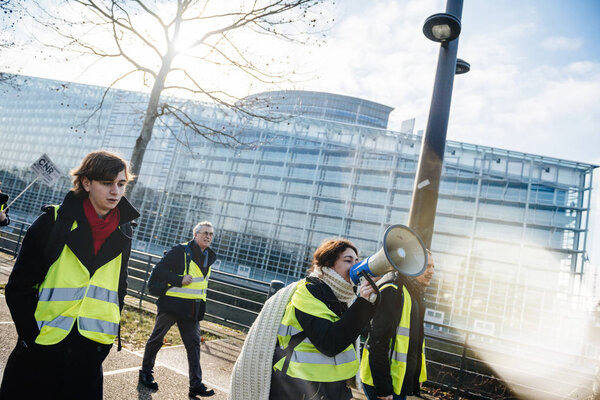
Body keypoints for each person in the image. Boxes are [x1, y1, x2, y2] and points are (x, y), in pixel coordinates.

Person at [0, 150, 139, 400]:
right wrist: (31, 337)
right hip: (41, 348)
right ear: (86, 182)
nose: (115, 191)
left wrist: (103, 343)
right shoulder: (52, 222)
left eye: (121, 184)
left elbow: (120, 287)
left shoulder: (125, 230)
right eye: (107, 183)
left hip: (90, 353)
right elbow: (18, 287)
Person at [229, 238, 378, 400]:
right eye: (348, 260)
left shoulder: (344, 298)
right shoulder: (308, 292)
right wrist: (363, 302)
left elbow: (355, 330)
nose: (355, 266)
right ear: (328, 265)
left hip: (330, 386)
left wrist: (370, 300)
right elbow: (330, 343)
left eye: (357, 261)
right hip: (298, 387)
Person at [139, 221, 217, 397]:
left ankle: (195, 385)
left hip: (192, 309)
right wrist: (178, 279)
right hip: (172, 304)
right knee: (156, 339)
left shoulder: (209, 256)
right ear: (195, 234)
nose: (208, 236)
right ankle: (145, 373)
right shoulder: (180, 251)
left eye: (211, 234)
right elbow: (159, 270)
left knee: (194, 346)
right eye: (204, 233)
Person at [360, 250, 436, 400]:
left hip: (398, 382)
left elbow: (415, 341)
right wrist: (383, 388)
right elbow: (377, 343)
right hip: (384, 384)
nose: (432, 272)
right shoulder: (393, 291)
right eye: (427, 266)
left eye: (433, 267)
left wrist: (415, 376)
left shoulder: (413, 294)